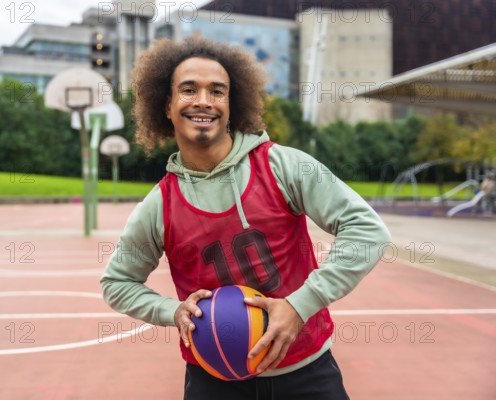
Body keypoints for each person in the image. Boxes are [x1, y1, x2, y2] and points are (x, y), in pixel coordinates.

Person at [100, 38, 391, 400]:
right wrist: (171, 311)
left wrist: (301, 305)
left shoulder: (282, 165)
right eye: (188, 90)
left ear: (231, 104)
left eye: (217, 91)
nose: (203, 101)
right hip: (214, 380)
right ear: (167, 105)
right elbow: (117, 282)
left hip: (306, 372)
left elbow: (368, 231)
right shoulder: (159, 204)